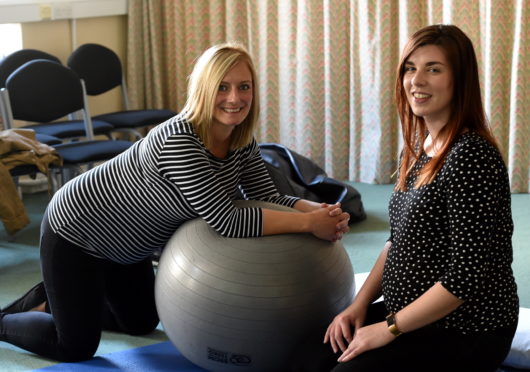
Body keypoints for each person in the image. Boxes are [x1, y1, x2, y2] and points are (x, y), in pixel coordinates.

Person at [0, 42, 350, 362]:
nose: (234, 98)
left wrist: (317, 211)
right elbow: (227, 220)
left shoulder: (241, 139)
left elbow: (268, 199)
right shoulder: (179, 140)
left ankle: (61, 299)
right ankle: (11, 319)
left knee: (139, 322)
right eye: (222, 87)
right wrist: (307, 225)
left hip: (127, 247)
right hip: (77, 231)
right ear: (203, 90)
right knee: (74, 345)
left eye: (244, 86)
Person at [293, 24, 519, 372]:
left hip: (466, 329)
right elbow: (396, 242)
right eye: (410, 69)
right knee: (307, 357)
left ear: (460, 80)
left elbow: (466, 276)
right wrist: (358, 307)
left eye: (434, 69)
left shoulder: (472, 156)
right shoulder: (416, 151)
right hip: (405, 312)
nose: (417, 80)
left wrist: (389, 329)